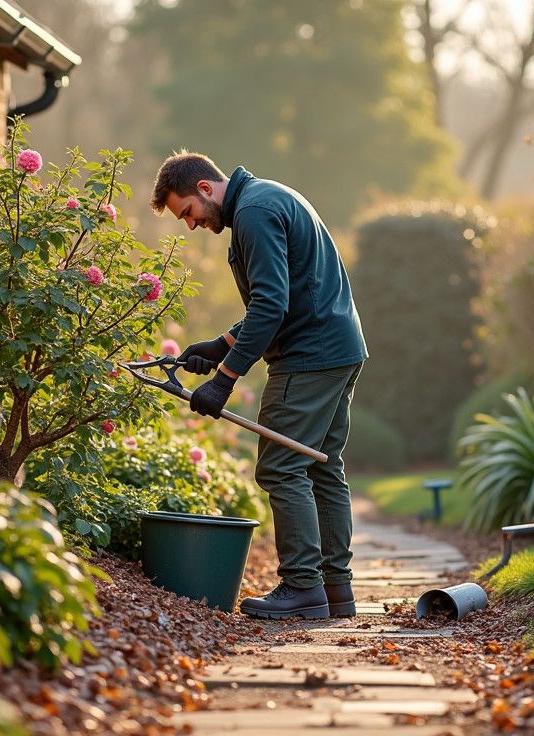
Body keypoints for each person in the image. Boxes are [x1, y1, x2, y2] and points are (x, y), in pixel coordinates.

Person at [149, 152, 367, 620]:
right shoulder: (267, 197)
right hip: (338, 347)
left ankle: (302, 588)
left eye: (186, 212)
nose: (189, 225)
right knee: (321, 466)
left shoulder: (253, 212)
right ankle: (334, 590)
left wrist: (224, 380)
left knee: (282, 468)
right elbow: (279, 298)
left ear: (205, 189)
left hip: (310, 358)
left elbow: (271, 305)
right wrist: (220, 345)